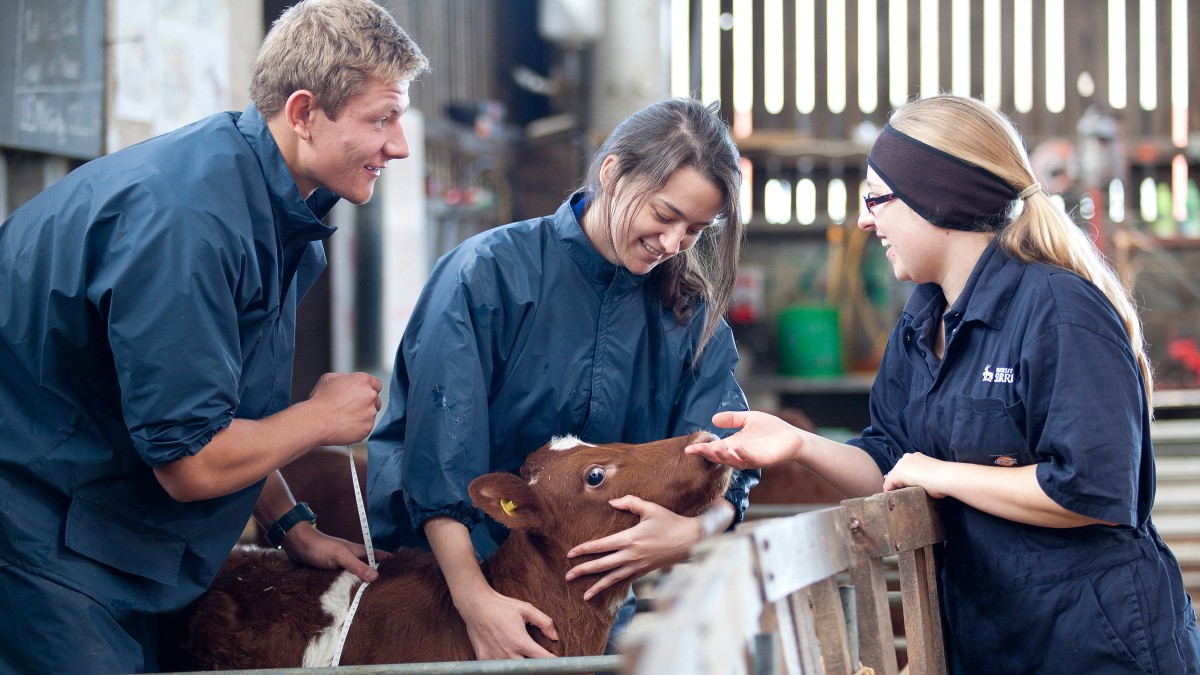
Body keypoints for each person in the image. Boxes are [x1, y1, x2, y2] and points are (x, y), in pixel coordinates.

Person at [686, 95, 1200, 674]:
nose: (864, 220)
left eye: (877, 199)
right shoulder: (920, 324)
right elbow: (891, 462)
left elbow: (1092, 490)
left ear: (938, 200)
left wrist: (942, 474)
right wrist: (798, 444)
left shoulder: (1058, 311)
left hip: (1093, 645)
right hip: (992, 641)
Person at [0, 2, 428, 672]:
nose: (399, 145)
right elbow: (192, 459)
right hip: (39, 536)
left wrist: (291, 522)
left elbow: (214, 404)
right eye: (382, 118)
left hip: (111, 530)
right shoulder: (190, 225)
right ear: (302, 111)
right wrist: (319, 418)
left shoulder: (270, 200)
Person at [367, 97, 759, 659]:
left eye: (696, 230)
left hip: (603, 604)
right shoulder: (487, 275)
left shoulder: (690, 315)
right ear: (613, 172)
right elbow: (435, 461)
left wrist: (693, 532)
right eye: (665, 215)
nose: (674, 244)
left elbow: (727, 457)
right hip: (449, 594)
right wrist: (477, 603)